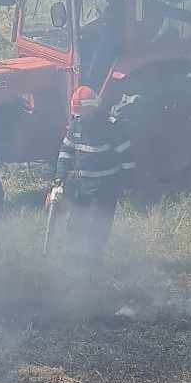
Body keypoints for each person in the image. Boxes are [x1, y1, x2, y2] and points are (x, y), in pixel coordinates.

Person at [54, 86, 133, 270]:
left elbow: (127, 158)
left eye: (82, 113)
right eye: (77, 113)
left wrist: (128, 184)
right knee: (75, 227)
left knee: (97, 230)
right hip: (82, 186)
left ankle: (93, 268)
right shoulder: (76, 125)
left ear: (93, 109)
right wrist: (59, 179)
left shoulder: (111, 127)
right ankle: (72, 264)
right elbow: (66, 152)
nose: (79, 117)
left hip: (105, 188)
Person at [80, 0, 125, 88]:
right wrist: (84, 29)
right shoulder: (113, 7)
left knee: (97, 55)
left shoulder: (118, 8)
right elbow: (100, 21)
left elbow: (101, 24)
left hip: (115, 45)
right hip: (111, 39)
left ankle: (91, 86)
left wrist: (84, 30)